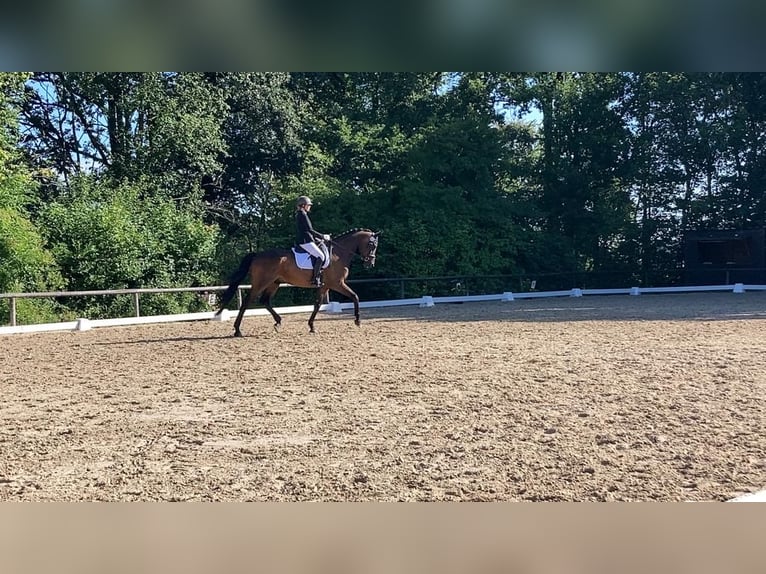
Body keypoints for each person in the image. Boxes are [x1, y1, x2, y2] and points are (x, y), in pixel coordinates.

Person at [295, 195, 330, 286]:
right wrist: (323, 236)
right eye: (308, 205)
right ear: (303, 205)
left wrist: (317, 239)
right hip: (305, 241)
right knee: (321, 256)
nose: (309, 206)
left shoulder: (301, 214)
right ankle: (315, 279)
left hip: (307, 239)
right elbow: (310, 230)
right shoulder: (302, 214)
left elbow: (307, 230)